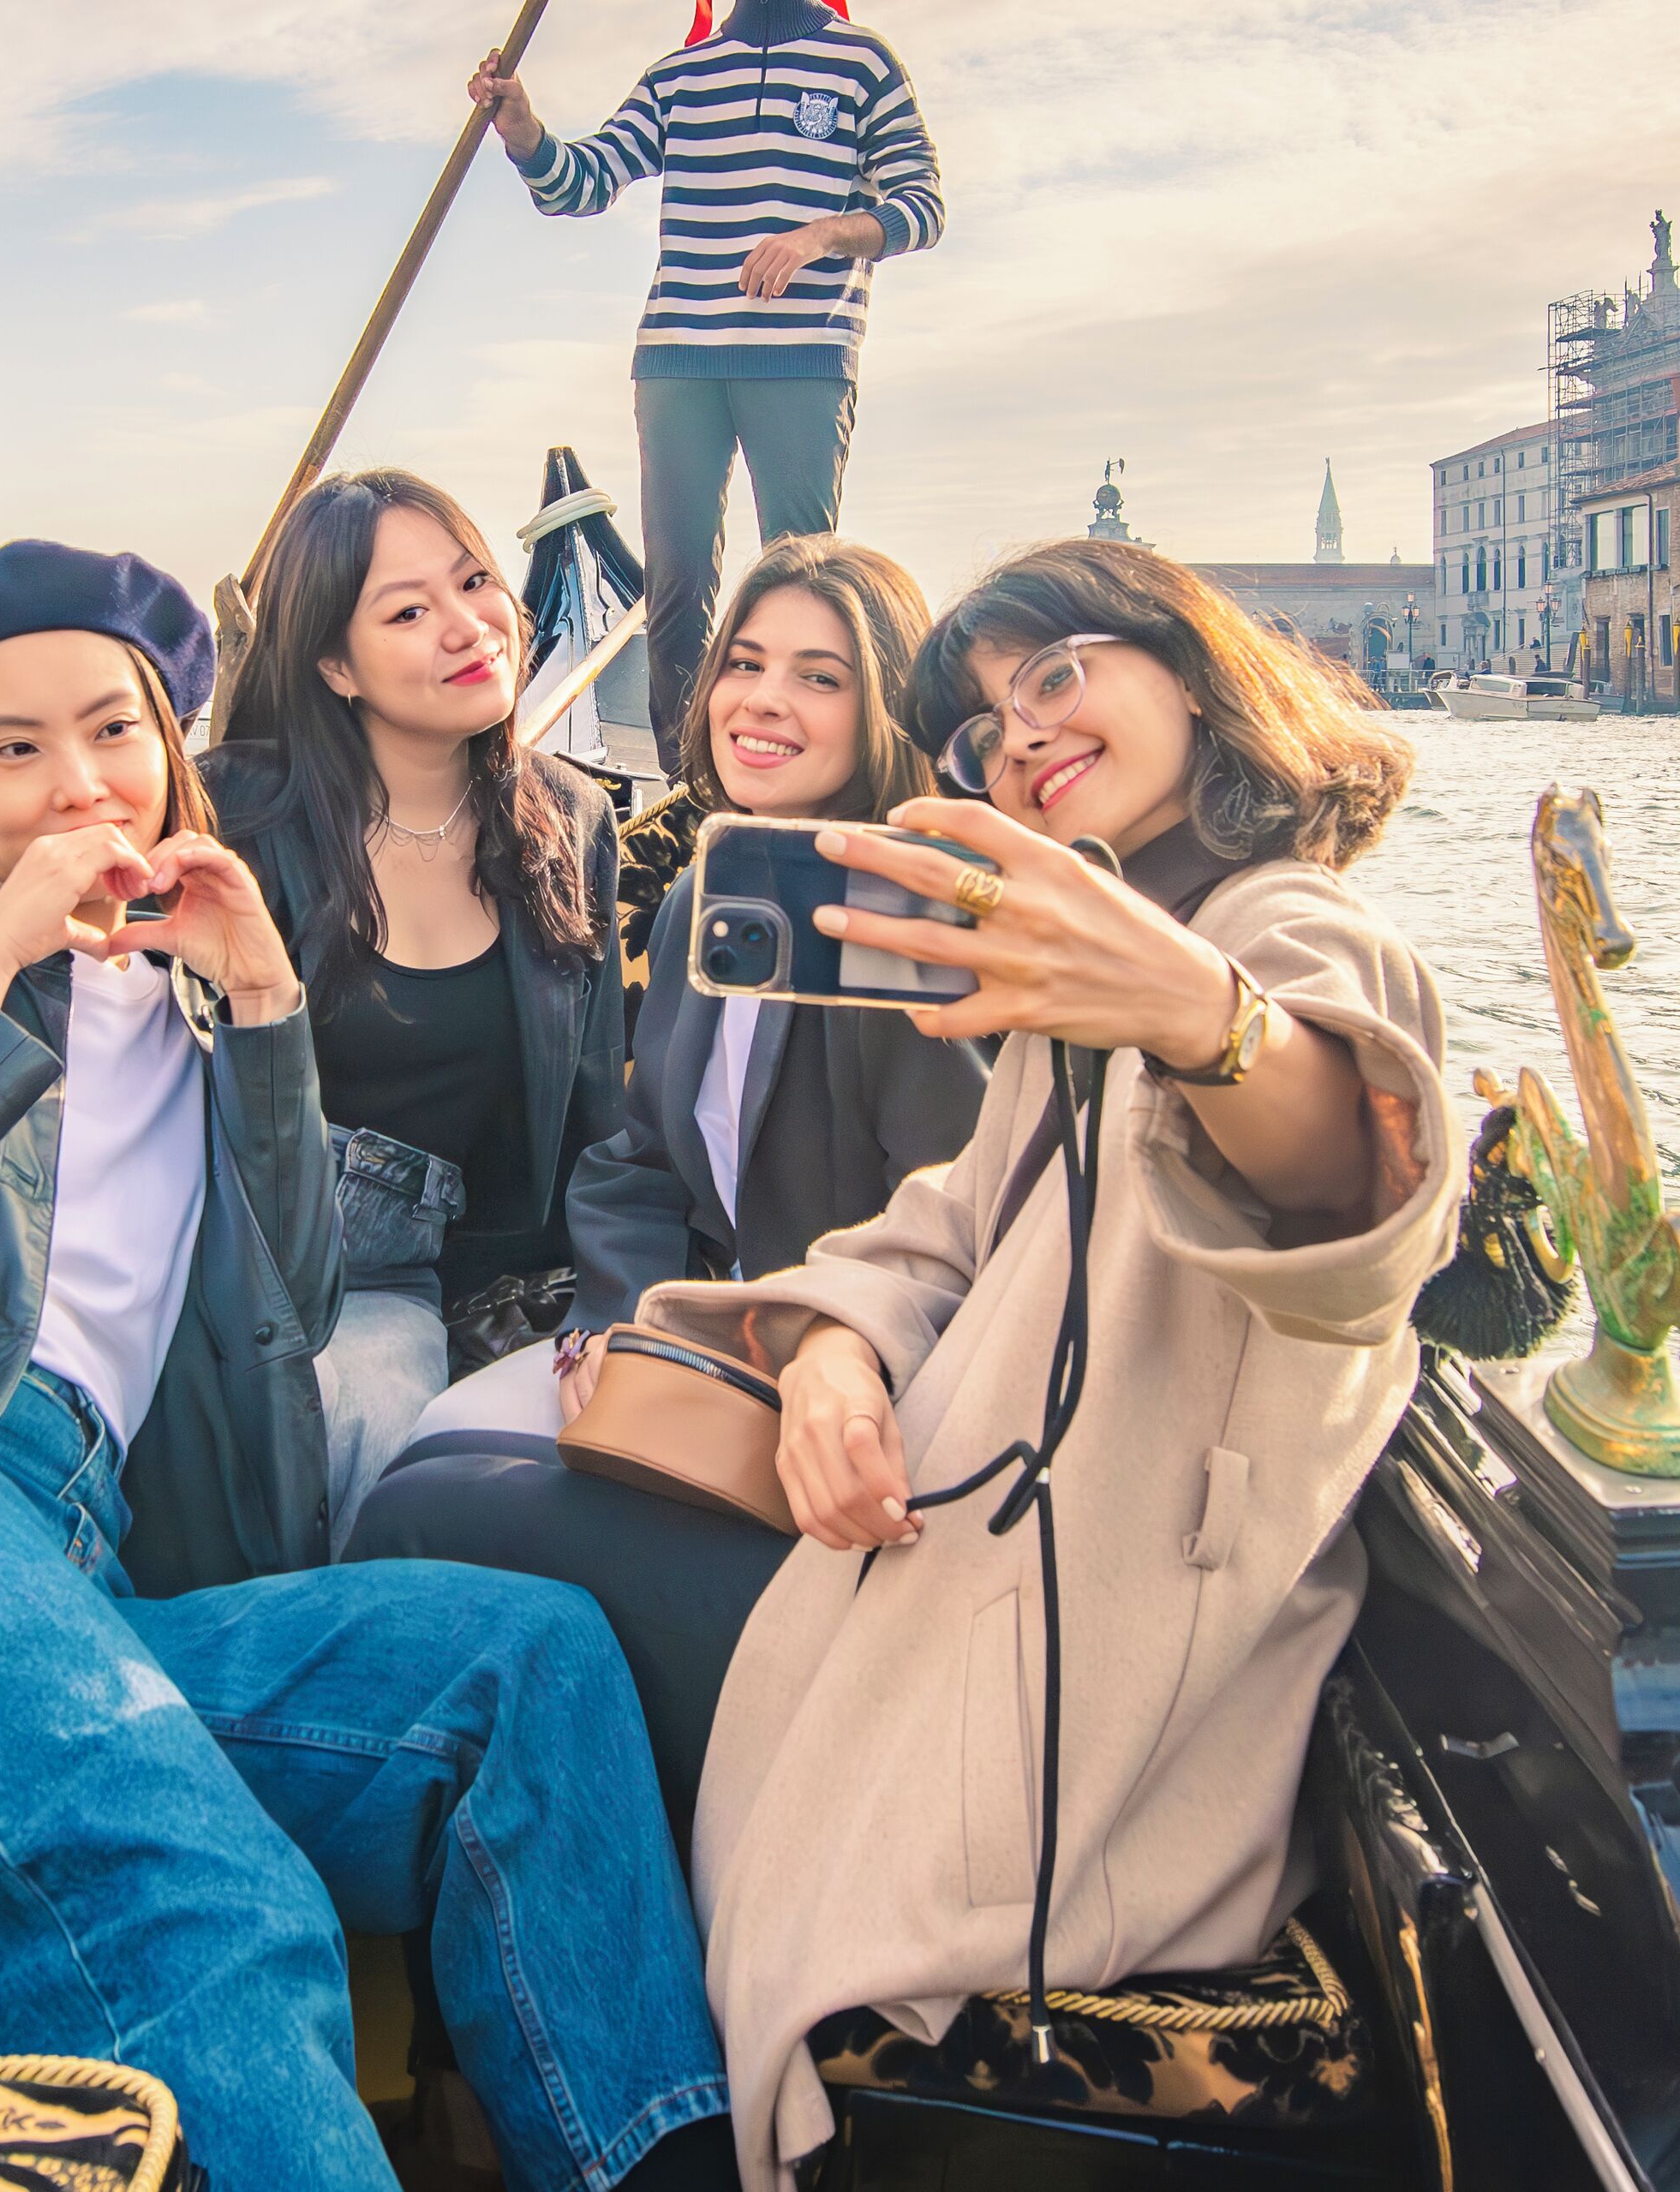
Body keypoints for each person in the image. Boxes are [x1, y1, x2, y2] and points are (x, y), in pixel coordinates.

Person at [0, 541, 732, 2192]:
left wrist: (262, 994)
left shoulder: (194, 1009)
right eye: (14, 747)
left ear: (172, 747)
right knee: (212, 1899)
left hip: (92, 1562)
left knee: (531, 1664)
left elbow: (296, 1295)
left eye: (113, 730)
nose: (77, 781)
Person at [619, 537, 1464, 2187]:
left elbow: (1353, 1197)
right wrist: (833, 1352)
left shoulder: (1281, 926)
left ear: (1196, 673)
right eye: (988, 721)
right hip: (956, 1539)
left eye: (1059, 675)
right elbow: (944, 1224)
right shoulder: (1099, 957)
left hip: (1102, 1653)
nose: (1023, 732)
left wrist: (1204, 1016)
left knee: (504, 1586)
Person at [344, 535, 986, 1837]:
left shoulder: (909, 923)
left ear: (885, 709)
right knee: (416, 1453)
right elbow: (640, 1157)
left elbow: (951, 1215)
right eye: (744, 663)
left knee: (416, 1514)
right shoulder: (712, 895)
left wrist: (821, 1348)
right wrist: (614, 1321)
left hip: (857, 1395)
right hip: (706, 1344)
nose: (763, 701)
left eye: (820, 677)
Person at [204, 471, 625, 1557]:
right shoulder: (233, 816)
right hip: (293, 1279)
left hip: (504, 1284)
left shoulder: (571, 817)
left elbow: (602, 1113)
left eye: (476, 582)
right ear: (333, 666)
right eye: (407, 611)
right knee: (368, 1434)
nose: (469, 625)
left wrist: (608, 1317)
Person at [470, 0, 944, 775]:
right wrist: (522, 131)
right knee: (676, 586)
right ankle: (691, 780)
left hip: (802, 359)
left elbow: (921, 207)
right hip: (677, 360)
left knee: (803, 579)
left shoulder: (862, 62)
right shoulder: (679, 76)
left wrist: (820, 234)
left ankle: (802, 769)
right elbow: (580, 184)